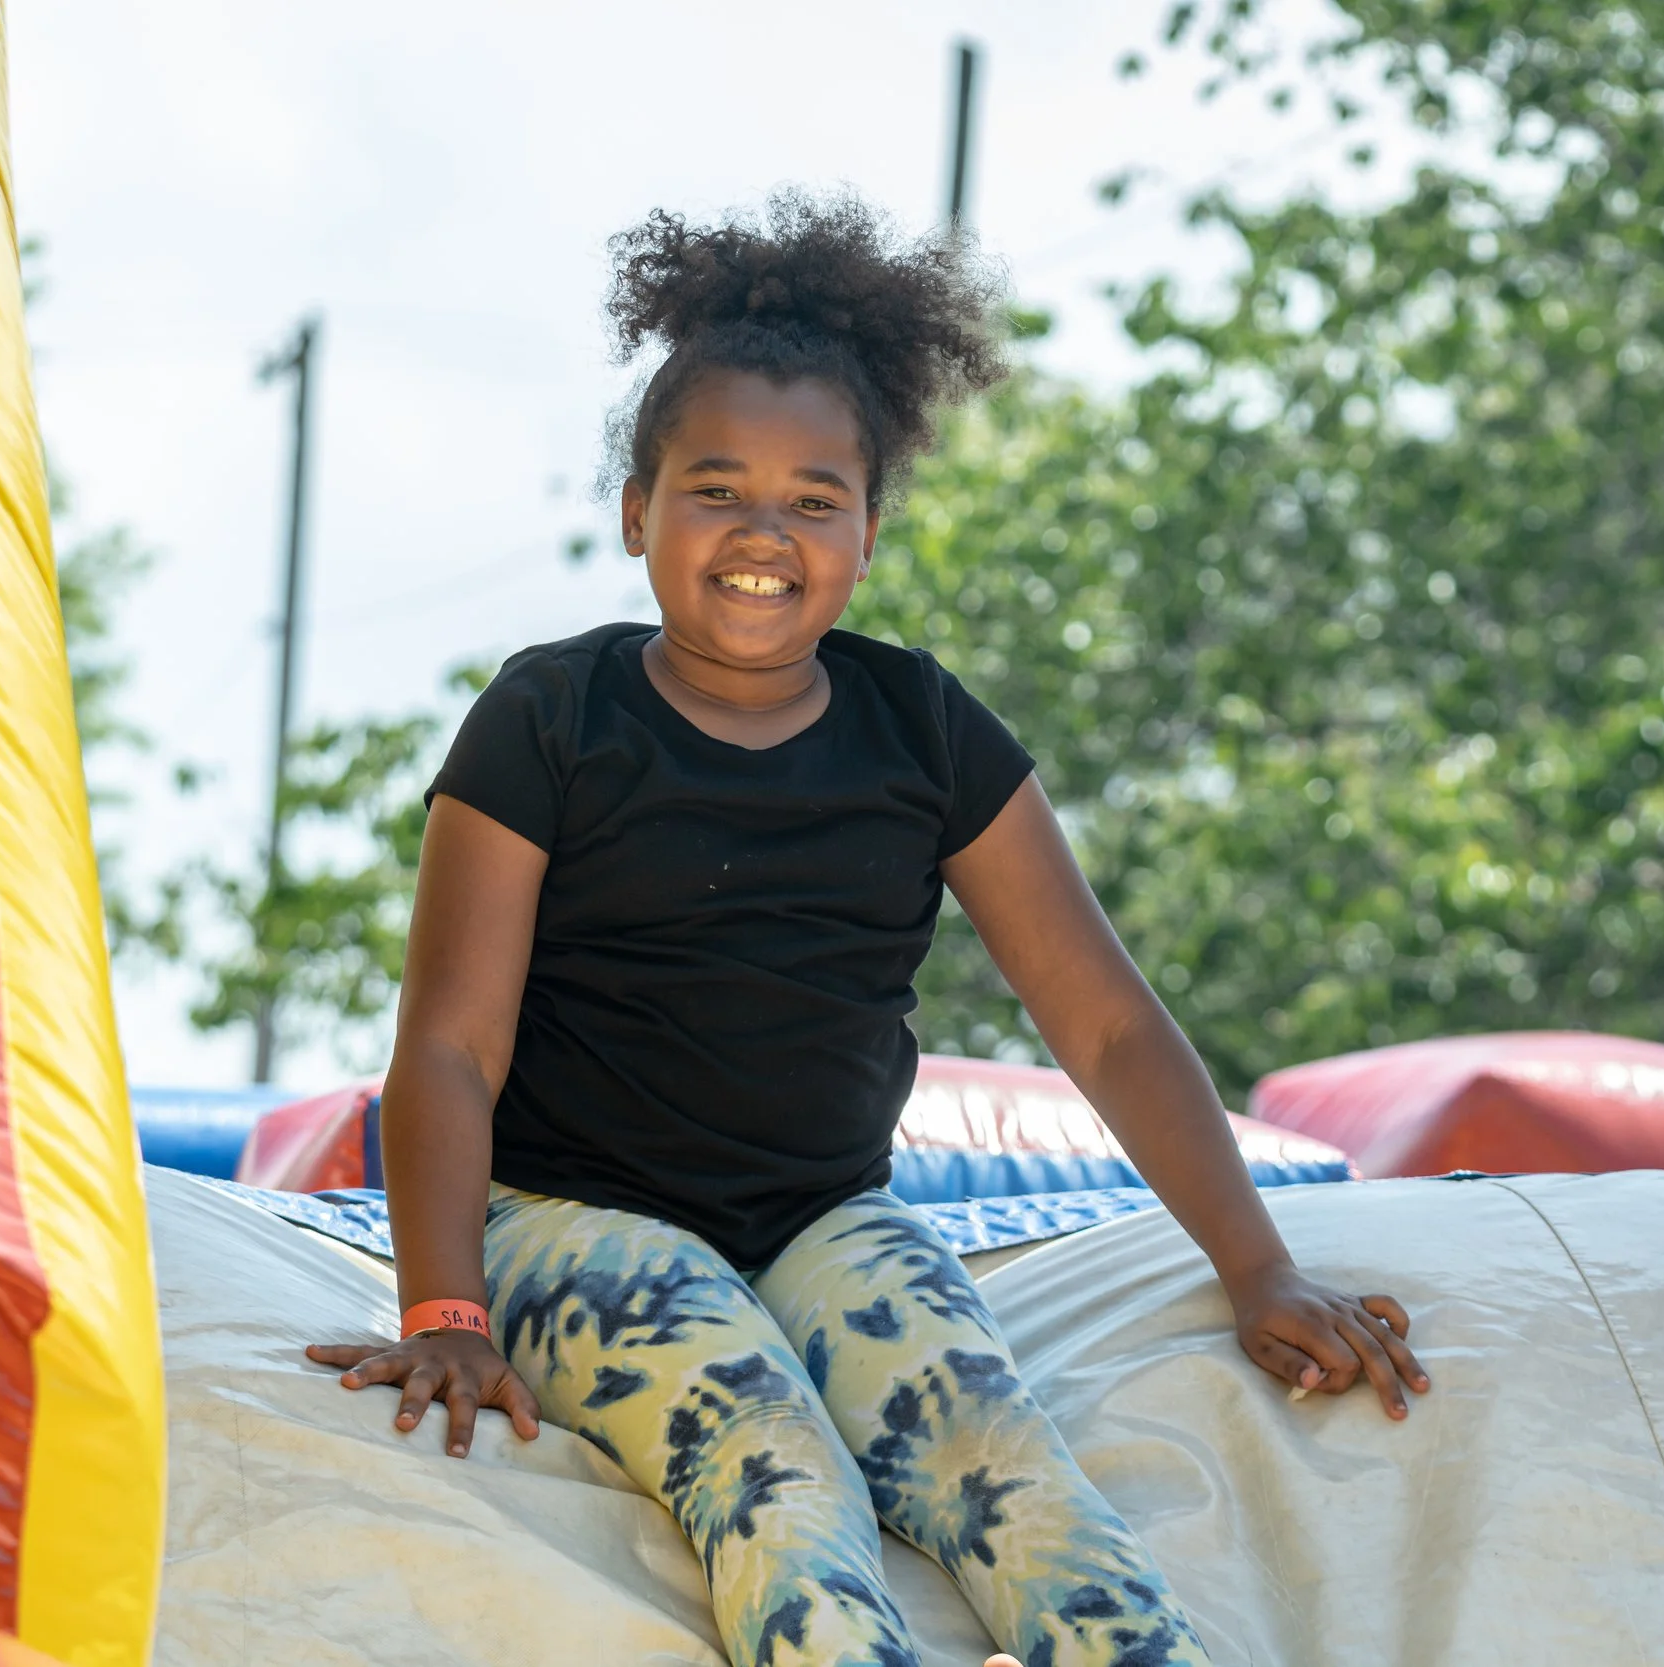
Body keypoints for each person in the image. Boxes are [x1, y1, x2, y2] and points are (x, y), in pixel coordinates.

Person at [309, 192, 1430, 1667]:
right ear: (638, 508)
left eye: (814, 497)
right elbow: (449, 1045)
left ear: (870, 531)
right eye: (716, 487)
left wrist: (1259, 1266)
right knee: (771, 1454)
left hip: (824, 1220)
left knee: (1006, 1459)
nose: (764, 530)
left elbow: (1102, 1021)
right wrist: (446, 1301)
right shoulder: (551, 715)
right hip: (570, 1223)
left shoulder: (923, 728)